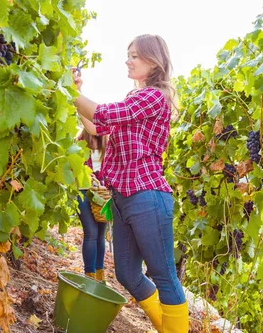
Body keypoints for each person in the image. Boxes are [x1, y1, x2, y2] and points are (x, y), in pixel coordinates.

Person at [72, 34, 188, 333]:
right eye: (129, 54)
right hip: (123, 198)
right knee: (126, 272)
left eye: (134, 55)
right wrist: (75, 94)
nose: (128, 60)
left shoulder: (153, 96)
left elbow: (104, 113)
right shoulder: (135, 97)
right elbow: (99, 126)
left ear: (154, 60)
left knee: (164, 276)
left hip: (147, 196)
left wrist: (67, 92)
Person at [76, 128, 108, 282]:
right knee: (91, 232)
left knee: (101, 233)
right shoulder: (78, 146)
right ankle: (90, 275)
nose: (96, 144)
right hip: (83, 192)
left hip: (101, 195)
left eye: (99, 139)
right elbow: (72, 170)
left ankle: (99, 273)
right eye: (94, 139)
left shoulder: (105, 148)